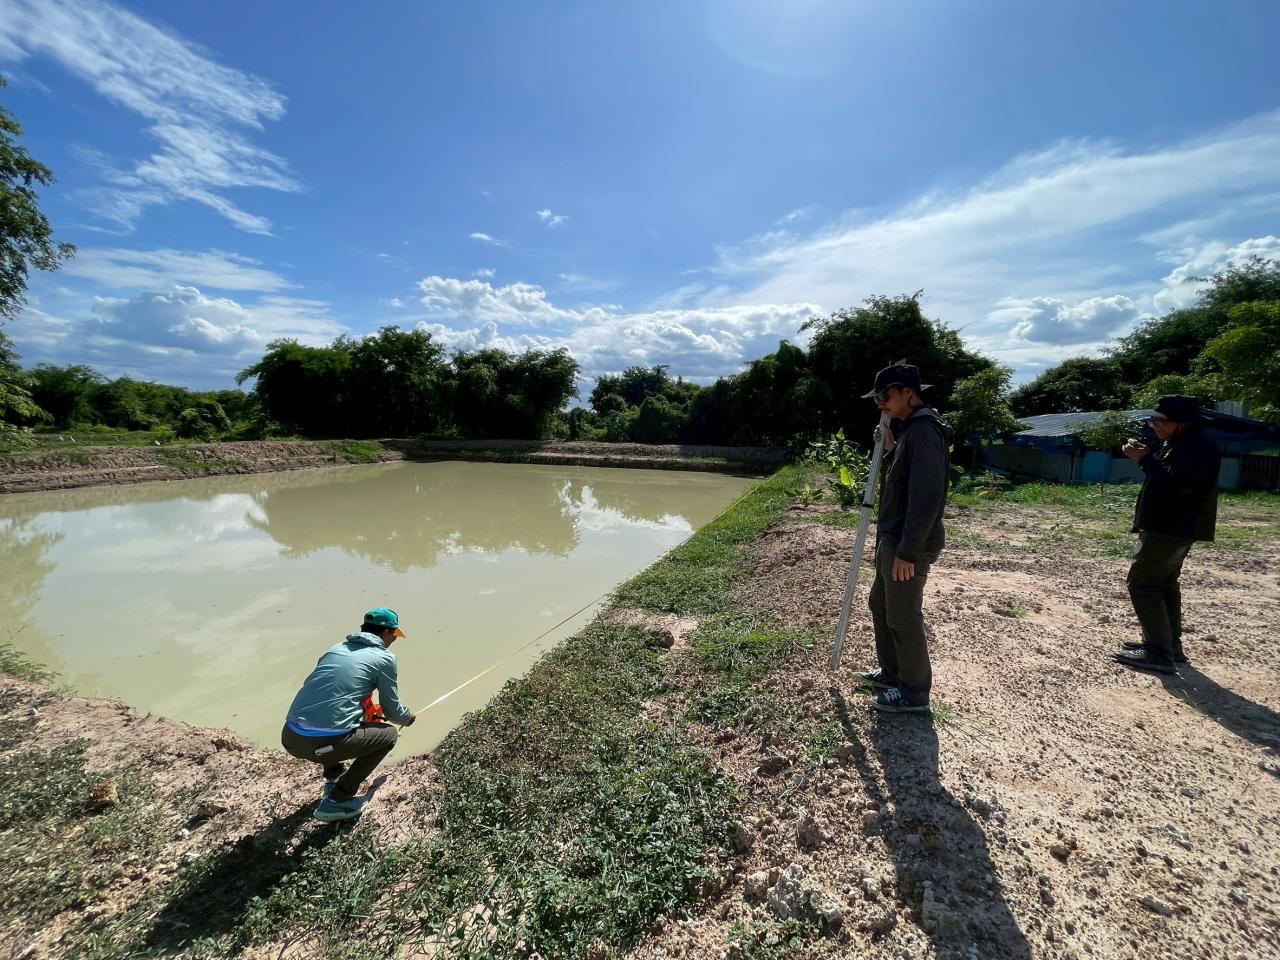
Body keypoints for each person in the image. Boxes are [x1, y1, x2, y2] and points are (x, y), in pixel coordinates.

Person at [852, 362, 950, 714]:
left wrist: (908, 552)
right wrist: (891, 447)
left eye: (886, 395)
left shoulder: (924, 431)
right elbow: (904, 478)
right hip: (892, 538)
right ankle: (892, 673)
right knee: (880, 605)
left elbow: (925, 498)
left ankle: (913, 693)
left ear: (909, 392)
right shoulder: (909, 430)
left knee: (903, 615)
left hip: (907, 544)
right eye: (877, 397)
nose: (880, 403)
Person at [1112, 395, 1221, 675]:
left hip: (1171, 527)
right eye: (1154, 419)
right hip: (1173, 526)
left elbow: (1178, 485)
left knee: (1144, 584)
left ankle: (1159, 653)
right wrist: (1148, 455)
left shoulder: (1196, 447)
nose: (1155, 424)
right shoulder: (1184, 443)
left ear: (1182, 422)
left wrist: (1145, 459)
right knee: (1164, 584)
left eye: (1162, 420)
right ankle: (1168, 645)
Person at [281, 607, 417, 822]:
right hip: (322, 744)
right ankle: (337, 800)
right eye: (394, 634)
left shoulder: (336, 649)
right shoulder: (384, 657)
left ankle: (332, 780)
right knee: (389, 735)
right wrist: (407, 718)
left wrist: (366, 713)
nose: (394, 639)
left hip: (290, 737)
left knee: (330, 718)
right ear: (385, 633)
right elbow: (392, 710)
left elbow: (333, 694)